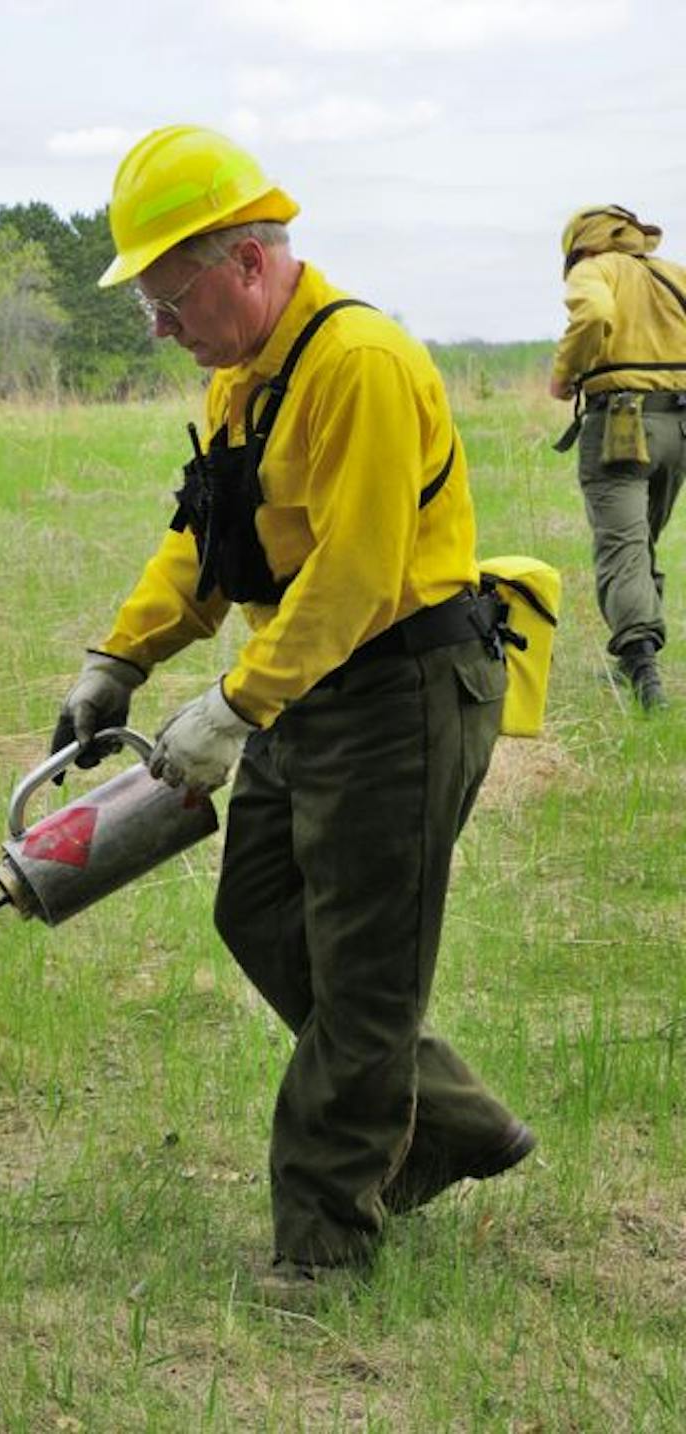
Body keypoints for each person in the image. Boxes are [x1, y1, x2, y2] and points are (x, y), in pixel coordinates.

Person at [49, 125, 534, 1298]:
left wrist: (229, 708)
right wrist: (121, 660)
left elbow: (360, 574)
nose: (160, 328)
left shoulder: (355, 363)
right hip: (305, 688)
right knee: (260, 912)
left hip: (401, 690)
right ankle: (454, 1123)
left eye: (170, 298)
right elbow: (206, 542)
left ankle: (324, 1244)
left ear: (249, 263)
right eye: (151, 307)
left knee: (364, 971)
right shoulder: (241, 380)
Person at [548, 206, 686, 711]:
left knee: (622, 545)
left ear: (580, 245)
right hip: (678, 426)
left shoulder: (594, 269)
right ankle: (640, 647)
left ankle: (641, 665)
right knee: (641, 541)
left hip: (622, 427)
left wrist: (566, 373)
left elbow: (593, 314)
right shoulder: (671, 273)